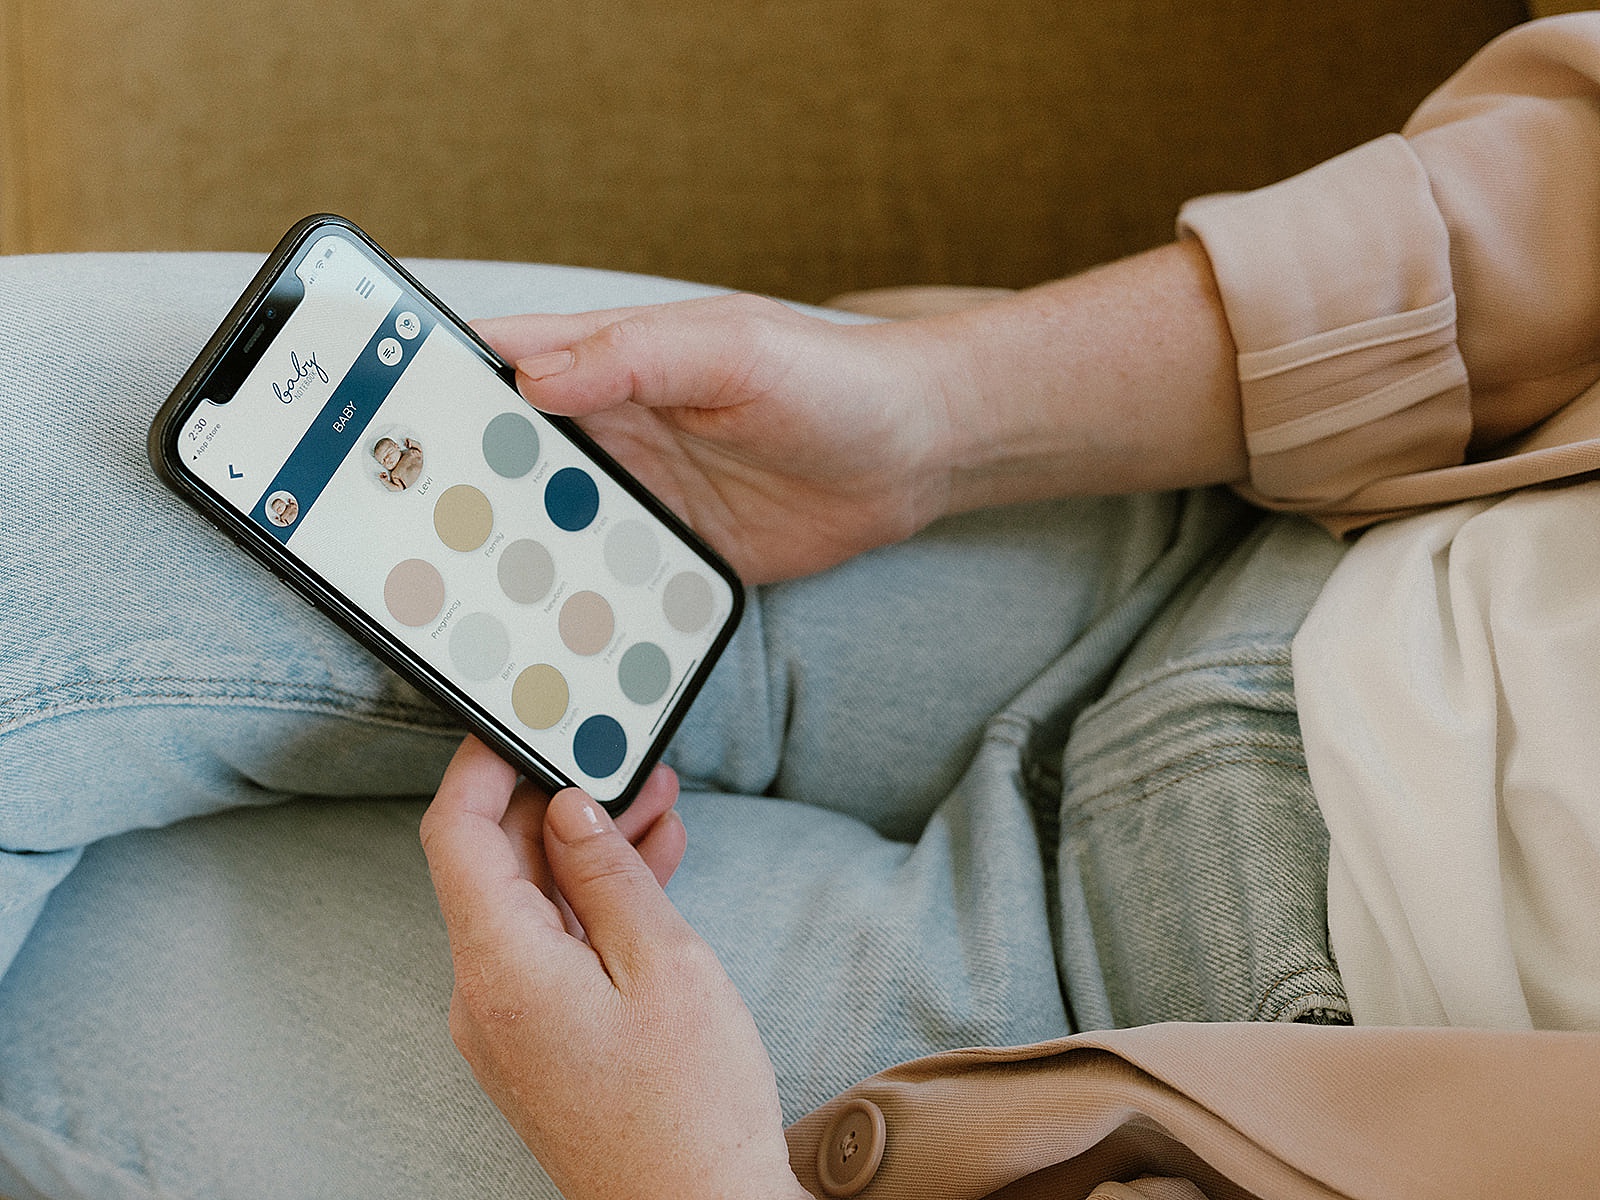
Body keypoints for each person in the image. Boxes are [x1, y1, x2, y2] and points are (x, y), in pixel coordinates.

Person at [3, 13, 1600, 1200]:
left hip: (1130, 1107)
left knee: (55, 1024)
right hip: (1234, 520)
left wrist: (690, 1187)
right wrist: (946, 412)